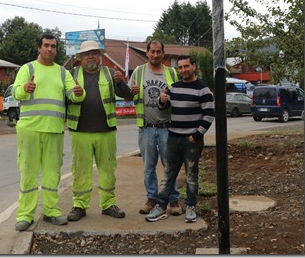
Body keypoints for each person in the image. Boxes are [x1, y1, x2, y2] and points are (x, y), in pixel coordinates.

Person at [13, 33, 86, 232]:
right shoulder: (27, 69)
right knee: (28, 173)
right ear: (39, 47)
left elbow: (74, 94)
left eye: (53, 46)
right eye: (46, 45)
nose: (50, 49)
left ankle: (51, 211)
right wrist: (24, 88)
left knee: (52, 174)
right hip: (30, 129)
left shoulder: (62, 72)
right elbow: (15, 92)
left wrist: (80, 93)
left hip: (54, 130)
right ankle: (25, 215)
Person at [145, 54, 215, 223]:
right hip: (173, 139)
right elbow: (164, 107)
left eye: (186, 66)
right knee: (168, 175)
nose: (183, 70)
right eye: (180, 67)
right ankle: (161, 207)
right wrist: (162, 100)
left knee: (192, 176)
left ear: (194, 67)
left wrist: (197, 135)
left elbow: (209, 114)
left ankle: (190, 207)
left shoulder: (203, 89)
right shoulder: (174, 88)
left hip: (192, 141)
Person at [66, 40, 131, 222]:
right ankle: (79, 205)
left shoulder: (111, 74)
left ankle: (108, 204)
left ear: (100, 56)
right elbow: (64, 99)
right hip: (80, 131)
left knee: (108, 169)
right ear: (81, 58)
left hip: (106, 130)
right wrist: (73, 96)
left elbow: (126, 95)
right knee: (80, 171)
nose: (91, 56)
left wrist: (120, 83)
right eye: (87, 54)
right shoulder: (71, 75)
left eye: (95, 53)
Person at [127, 39, 181, 215]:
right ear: (147, 53)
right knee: (148, 167)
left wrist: (170, 100)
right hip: (147, 128)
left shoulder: (172, 73)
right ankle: (152, 199)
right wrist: (129, 92)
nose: (155, 55)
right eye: (152, 51)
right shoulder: (139, 71)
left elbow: (180, 98)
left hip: (167, 128)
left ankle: (172, 200)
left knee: (169, 166)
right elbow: (128, 95)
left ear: (163, 53)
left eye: (159, 52)